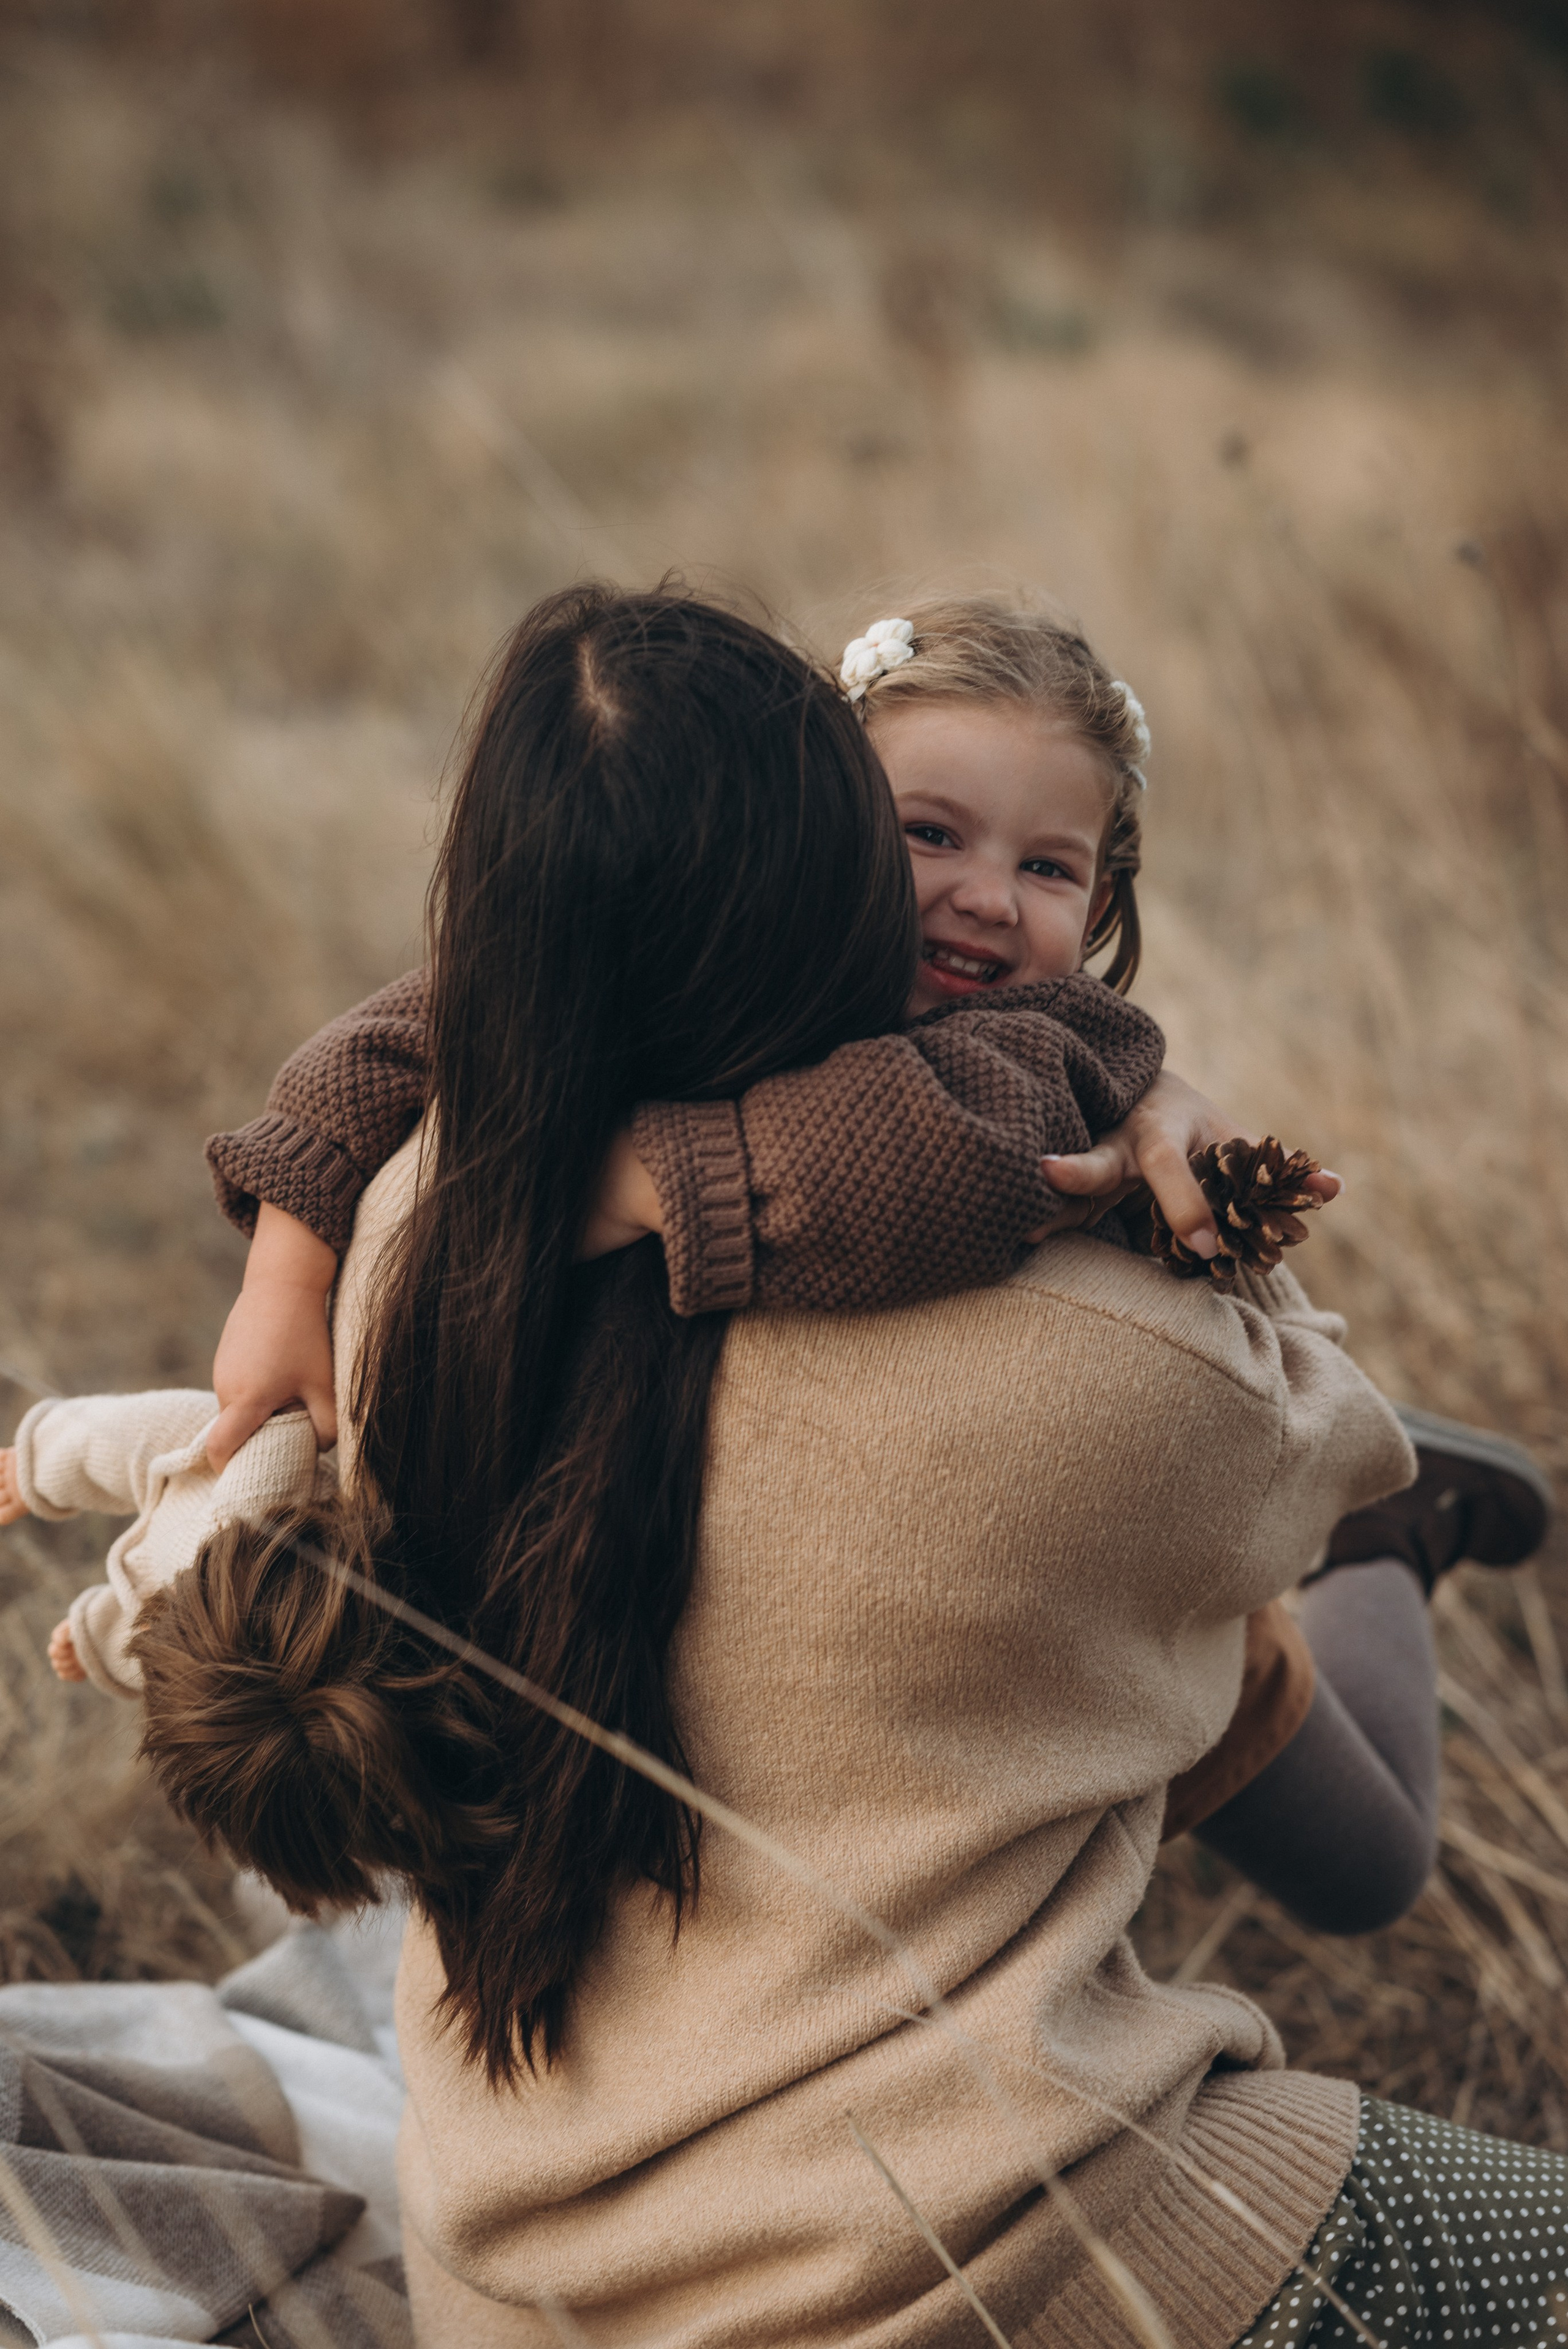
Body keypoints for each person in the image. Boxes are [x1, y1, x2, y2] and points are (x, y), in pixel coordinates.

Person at [108, 584, 1566, 2347]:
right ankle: (1390, 1571)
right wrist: (1176, 1168)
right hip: (973, 2261)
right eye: (921, 835)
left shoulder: (424, 1219)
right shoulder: (1086, 1317)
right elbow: (1328, 1433)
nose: (978, 898)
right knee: (1317, 1757)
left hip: (511, 2278)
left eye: (1049, 868)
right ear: (814, 856)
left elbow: (418, 1041)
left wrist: (424, 1220)